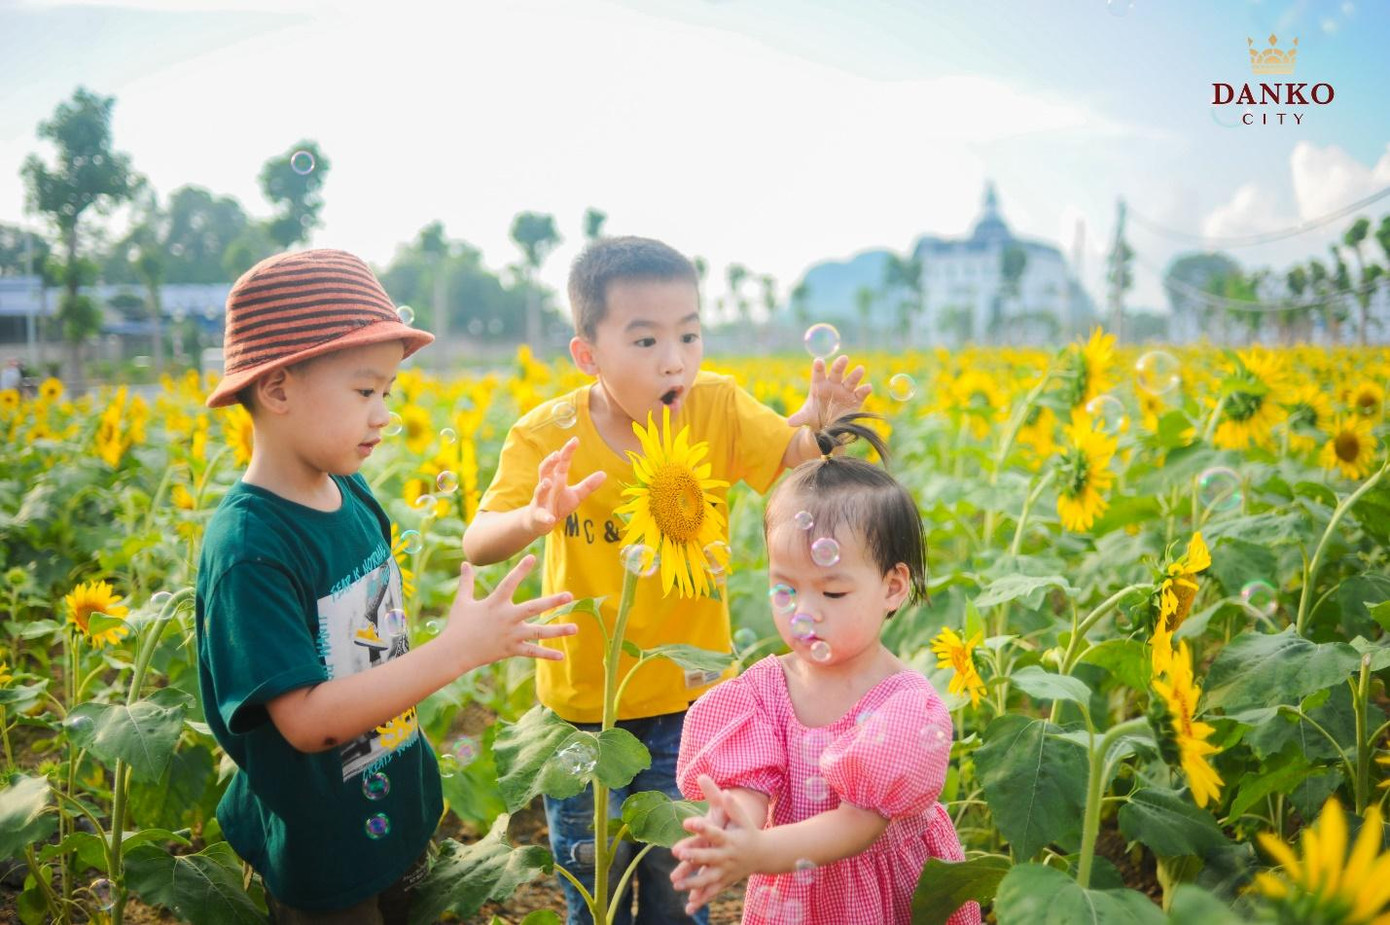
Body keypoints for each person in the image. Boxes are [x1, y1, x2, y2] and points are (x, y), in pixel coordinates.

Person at [462, 235, 871, 925]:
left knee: (681, 883)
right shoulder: (548, 434)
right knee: (592, 882)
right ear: (588, 355)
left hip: (691, 698)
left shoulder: (715, 406)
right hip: (583, 708)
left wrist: (825, 427)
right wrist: (535, 516)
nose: (675, 358)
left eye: (689, 333)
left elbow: (790, 456)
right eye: (646, 340)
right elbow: (478, 540)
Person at [195, 249, 578, 923]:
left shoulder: (349, 490)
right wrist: (456, 651)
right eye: (365, 392)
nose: (384, 416)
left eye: (388, 394)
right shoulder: (250, 547)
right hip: (324, 847)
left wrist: (528, 521)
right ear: (278, 390)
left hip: (389, 803)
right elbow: (309, 722)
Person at [669, 414, 981, 925]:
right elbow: (751, 783)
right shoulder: (765, 691)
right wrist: (735, 829)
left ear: (893, 588)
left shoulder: (903, 705)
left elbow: (860, 824)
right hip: (793, 891)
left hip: (879, 894)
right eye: (785, 588)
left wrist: (761, 851)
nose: (805, 611)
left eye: (832, 592)